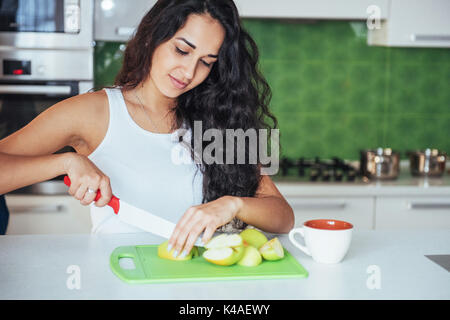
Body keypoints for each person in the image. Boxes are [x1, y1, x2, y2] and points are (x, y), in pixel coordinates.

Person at [0, 0, 294, 258]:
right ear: (152, 38)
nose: (189, 72)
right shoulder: (94, 112)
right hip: (118, 283)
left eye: (205, 62)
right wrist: (66, 162)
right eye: (181, 50)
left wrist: (232, 205)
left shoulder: (217, 119)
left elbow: (283, 216)